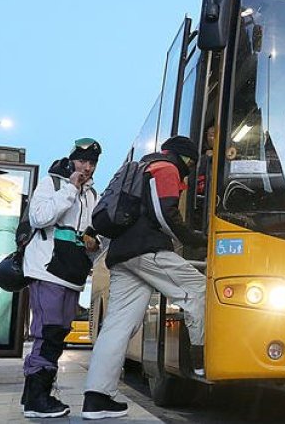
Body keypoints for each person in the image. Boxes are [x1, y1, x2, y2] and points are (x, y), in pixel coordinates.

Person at [82, 135, 208, 420]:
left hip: (122, 256)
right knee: (198, 290)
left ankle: (96, 398)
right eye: (191, 162)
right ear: (185, 157)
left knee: (117, 325)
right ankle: (202, 361)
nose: (189, 168)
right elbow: (165, 214)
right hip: (146, 250)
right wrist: (198, 239)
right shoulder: (166, 167)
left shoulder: (142, 166)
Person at [20, 138, 103, 418]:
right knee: (48, 331)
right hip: (46, 269)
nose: (87, 167)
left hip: (73, 273)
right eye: (82, 161)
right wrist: (70, 187)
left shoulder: (93, 195)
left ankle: (35, 395)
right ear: (71, 160)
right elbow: (40, 217)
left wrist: (95, 242)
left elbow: (97, 233)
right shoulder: (52, 184)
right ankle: (37, 398)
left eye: (92, 163)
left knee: (59, 332)